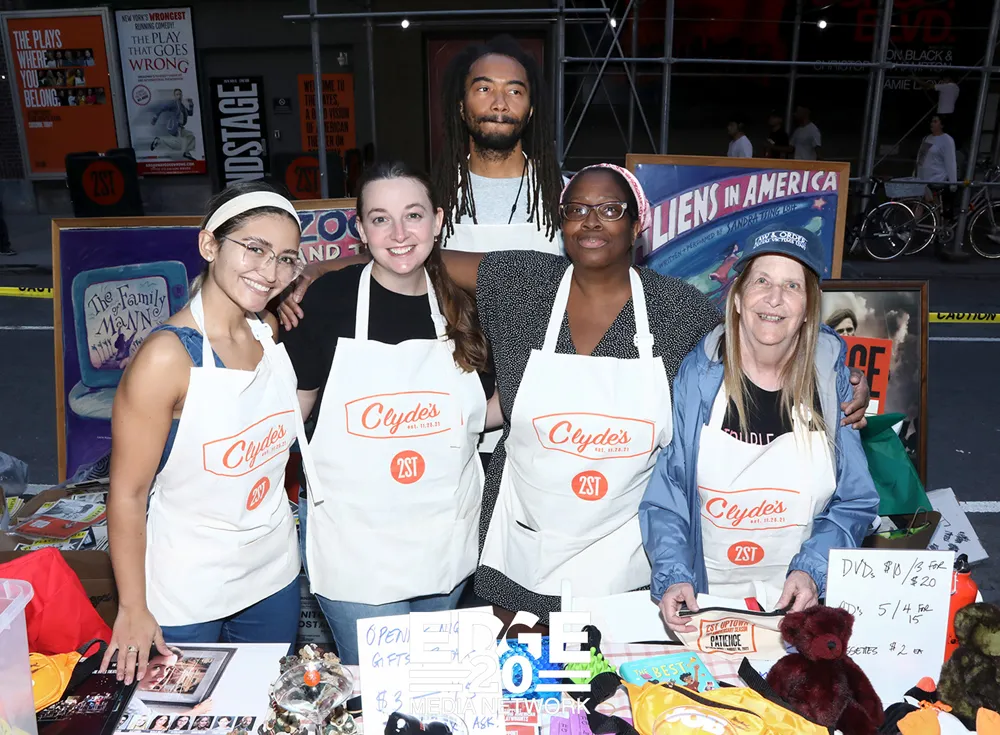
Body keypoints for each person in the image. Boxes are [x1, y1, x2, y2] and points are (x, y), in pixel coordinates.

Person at [277, 163, 871, 623]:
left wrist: (837, 370)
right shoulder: (523, 282)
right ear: (562, 224)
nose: (592, 221)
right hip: (518, 546)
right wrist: (324, 272)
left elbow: (761, 327)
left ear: (636, 227)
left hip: (623, 559)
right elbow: (416, 255)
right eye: (577, 209)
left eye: (610, 209)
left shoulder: (677, 309)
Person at [279, 35, 567, 466]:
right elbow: (401, 255)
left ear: (531, 109)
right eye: (484, 88)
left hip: (546, 416)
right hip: (449, 420)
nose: (499, 102)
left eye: (515, 90)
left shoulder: (567, 200)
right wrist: (326, 268)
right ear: (461, 106)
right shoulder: (431, 194)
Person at [280, 161, 501, 665]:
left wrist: (534, 394)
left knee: (432, 683)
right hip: (357, 546)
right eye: (380, 219)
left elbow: (474, 414)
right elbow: (297, 410)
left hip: (442, 538)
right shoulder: (328, 299)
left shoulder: (465, 305)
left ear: (437, 221)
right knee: (378, 689)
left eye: (414, 215)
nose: (399, 234)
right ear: (361, 229)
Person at [102, 181, 310, 685]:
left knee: (264, 703)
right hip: (188, 586)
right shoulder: (167, 357)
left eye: (285, 259)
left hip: (272, 572)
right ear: (209, 244)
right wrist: (132, 606)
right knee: (189, 712)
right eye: (255, 249)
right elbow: (127, 494)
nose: (269, 272)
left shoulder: (267, 330)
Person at [640, 225, 880, 628]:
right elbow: (668, 498)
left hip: (801, 609)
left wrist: (812, 570)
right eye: (762, 281)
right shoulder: (699, 378)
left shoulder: (830, 381)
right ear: (737, 297)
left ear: (809, 306)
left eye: (792, 286)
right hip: (706, 605)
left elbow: (854, 501)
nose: (774, 298)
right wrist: (674, 574)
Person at [916, 114, 958, 218]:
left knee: (933, 204)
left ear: (942, 125)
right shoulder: (927, 138)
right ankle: (913, 224)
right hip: (923, 178)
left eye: (935, 122)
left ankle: (937, 225)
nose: (932, 124)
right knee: (921, 203)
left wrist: (953, 182)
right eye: (932, 122)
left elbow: (950, 161)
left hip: (936, 178)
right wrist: (917, 175)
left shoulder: (947, 140)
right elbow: (921, 158)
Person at [151, 89, 197, 161]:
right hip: (176, 126)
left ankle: (186, 152)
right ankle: (160, 140)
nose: (179, 96)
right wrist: (155, 117)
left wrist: (191, 105)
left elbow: (190, 113)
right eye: (177, 94)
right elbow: (162, 108)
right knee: (182, 141)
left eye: (180, 94)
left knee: (191, 136)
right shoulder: (173, 104)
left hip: (181, 127)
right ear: (174, 96)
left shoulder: (182, 106)